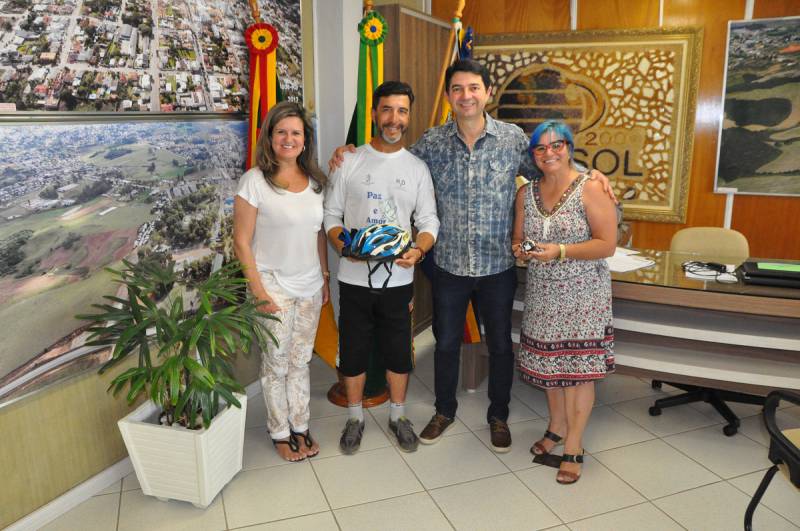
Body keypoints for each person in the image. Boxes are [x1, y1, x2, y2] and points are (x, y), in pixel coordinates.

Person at [330, 59, 613, 453]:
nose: (466, 96)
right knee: (446, 343)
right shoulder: (431, 143)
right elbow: (390, 160)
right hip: (449, 267)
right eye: (458, 89)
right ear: (448, 96)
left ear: (487, 93)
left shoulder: (512, 139)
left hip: (497, 265)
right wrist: (348, 153)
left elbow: (553, 167)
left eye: (473, 88)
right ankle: (444, 411)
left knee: (499, 345)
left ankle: (498, 415)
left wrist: (591, 175)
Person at [324, 80, 439, 454]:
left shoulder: (417, 168)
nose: (394, 119)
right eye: (387, 110)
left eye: (402, 111)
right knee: (354, 352)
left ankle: (398, 416)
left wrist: (418, 252)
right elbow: (331, 215)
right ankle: (355, 418)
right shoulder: (349, 161)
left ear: (409, 116)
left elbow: (429, 221)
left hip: (399, 280)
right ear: (374, 113)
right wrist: (347, 246)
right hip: (353, 279)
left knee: (397, 352)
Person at [512, 120, 617, 484]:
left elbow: (607, 244)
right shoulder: (527, 193)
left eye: (556, 145)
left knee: (576, 372)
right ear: (534, 156)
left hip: (582, 296)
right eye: (540, 148)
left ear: (569, 147)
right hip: (542, 295)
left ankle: (574, 444)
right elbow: (518, 241)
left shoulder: (591, 188)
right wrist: (522, 251)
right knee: (550, 370)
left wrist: (559, 250)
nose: (549, 153)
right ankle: (556, 427)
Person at [233, 101, 329, 462]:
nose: (288, 139)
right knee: (275, 362)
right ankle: (279, 431)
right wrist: (258, 293)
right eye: (281, 132)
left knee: (300, 360)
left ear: (305, 141)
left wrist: (323, 277)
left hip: (308, 285)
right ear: (270, 138)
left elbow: (318, 234)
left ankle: (301, 424)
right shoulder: (254, 182)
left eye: (296, 133)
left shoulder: (316, 183)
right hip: (271, 285)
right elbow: (241, 241)